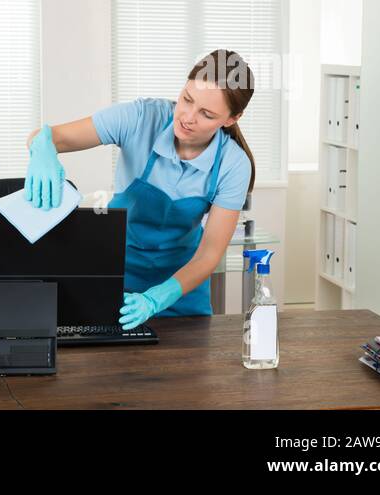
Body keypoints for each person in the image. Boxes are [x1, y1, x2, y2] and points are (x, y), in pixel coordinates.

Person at [23, 49, 256, 329]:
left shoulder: (233, 164)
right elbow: (47, 136)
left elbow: (209, 254)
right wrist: (43, 148)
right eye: (187, 99)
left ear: (231, 119)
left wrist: (157, 298)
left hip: (181, 291)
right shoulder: (141, 118)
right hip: (114, 277)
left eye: (206, 114)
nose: (187, 117)